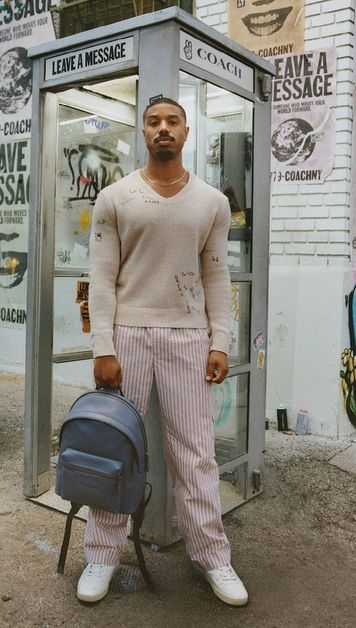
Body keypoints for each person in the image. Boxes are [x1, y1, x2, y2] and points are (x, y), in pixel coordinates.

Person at [77, 97, 249, 607]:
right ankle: (102, 554)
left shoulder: (211, 202)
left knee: (195, 453)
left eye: (172, 121)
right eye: (153, 122)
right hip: (127, 336)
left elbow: (217, 274)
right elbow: (102, 278)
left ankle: (213, 555)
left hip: (188, 338)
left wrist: (221, 340)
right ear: (143, 133)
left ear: (186, 131)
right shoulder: (116, 197)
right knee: (114, 446)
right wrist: (103, 345)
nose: (163, 129)